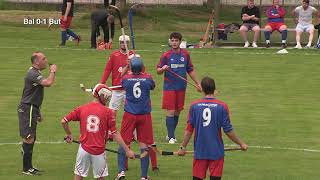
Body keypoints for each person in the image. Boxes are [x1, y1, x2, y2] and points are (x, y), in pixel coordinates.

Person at [177, 76, 248, 180]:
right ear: (214, 89)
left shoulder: (194, 106)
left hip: (200, 151)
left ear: (203, 90)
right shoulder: (222, 106)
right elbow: (228, 131)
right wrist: (241, 143)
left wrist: (182, 147)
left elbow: (189, 130)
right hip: (216, 151)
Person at [61, 83, 135, 180]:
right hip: (99, 152)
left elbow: (64, 121)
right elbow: (115, 133)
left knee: (78, 176)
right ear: (102, 96)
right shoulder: (108, 112)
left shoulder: (82, 108)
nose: (108, 99)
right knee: (100, 177)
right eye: (107, 97)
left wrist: (69, 135)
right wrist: (127, 150)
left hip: (83, 150)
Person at [157, 32, 201, 144]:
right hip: (169, 87)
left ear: (180, 42)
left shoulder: (185, 54)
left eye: (176, 40)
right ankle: (171, 137)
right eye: (172, 40)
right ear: (170, 41)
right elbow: (158, 71)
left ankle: (170, 133)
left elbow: (190, 69)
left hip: (181, 87)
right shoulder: (166, 55)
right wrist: (163, 69)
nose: (174, 42)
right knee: (171, 111)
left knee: (177, 112)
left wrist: (197, 83)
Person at [18, 52, 57, 175]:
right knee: (29, 138)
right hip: (28, 109)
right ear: (36, 62)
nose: (46, 60)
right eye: (43, 59)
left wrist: (37, 111)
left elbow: (32, 94)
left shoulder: (36, 73)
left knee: (31, 138)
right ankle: (26, 169)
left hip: (32, 108)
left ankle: (29, 167)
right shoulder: (33, 73)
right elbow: (48, 83)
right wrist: (53, 71)